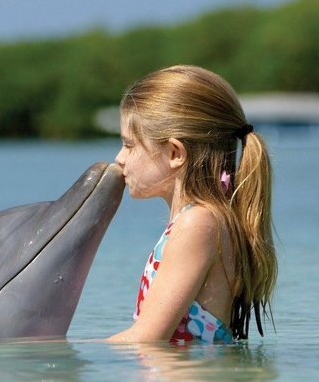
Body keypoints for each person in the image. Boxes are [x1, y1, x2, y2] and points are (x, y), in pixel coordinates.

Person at [107, 65, 277, 344]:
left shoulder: (198, 223)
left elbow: (146, 339)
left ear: (175, 153)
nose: (119, 158)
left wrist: (53, 355)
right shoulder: (203, 220)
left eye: (129, 145)